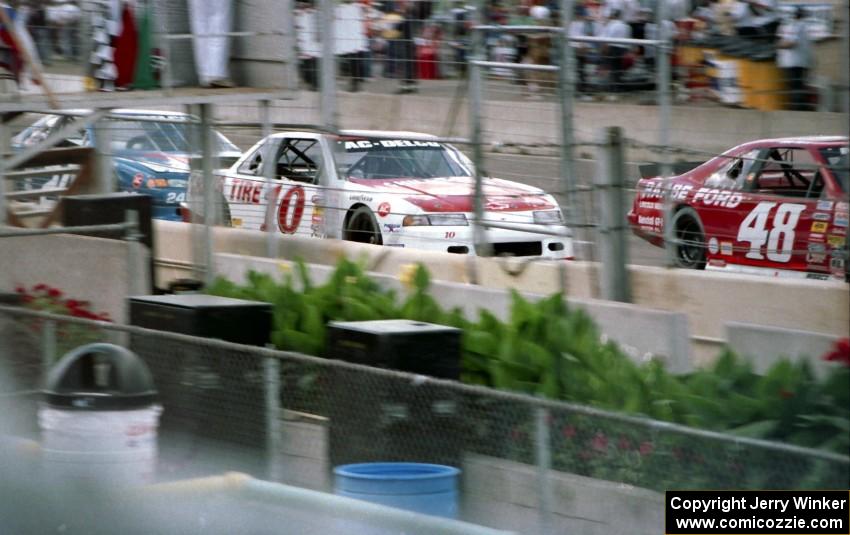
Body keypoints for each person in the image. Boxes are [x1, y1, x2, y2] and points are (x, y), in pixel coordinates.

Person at [776, 6, 811, 110]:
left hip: (794, 63)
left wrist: (777, 45)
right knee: (798, 85)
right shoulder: (804, 26)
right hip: (800, 62)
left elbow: (792, 43)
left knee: (794, 86)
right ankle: (801, 108)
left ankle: (797, 109)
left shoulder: (797, 25)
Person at [600, 8, 631, 99]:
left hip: (614, 48)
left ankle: (614, 88)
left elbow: (608, 39)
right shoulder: (625, 25)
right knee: (618, 69)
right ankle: (618, 87)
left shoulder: (612, 25)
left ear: (613, 16)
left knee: (613, 69)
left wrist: (604, 50)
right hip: (623, 49)